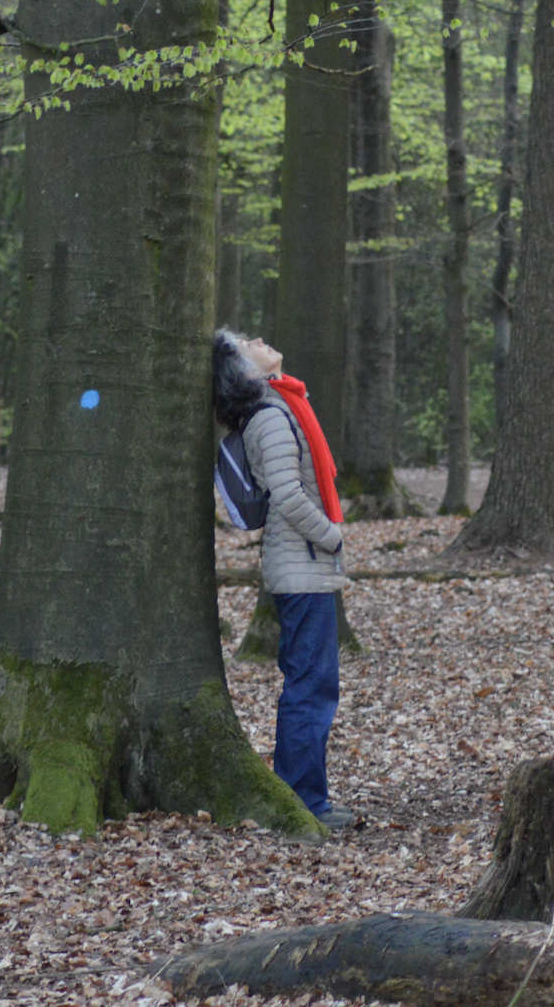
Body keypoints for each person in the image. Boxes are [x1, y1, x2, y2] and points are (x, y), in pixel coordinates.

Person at [212, 329, 352, 830]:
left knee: (313, 683)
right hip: (303, 566)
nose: (260, 338)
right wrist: (333, 536)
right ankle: (305, 803)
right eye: (246, 342)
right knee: (311, 687)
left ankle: (306, 796)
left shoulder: (282, 405)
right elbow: (290, 498)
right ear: (242, 370)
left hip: (304, 565)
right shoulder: (271, 417)